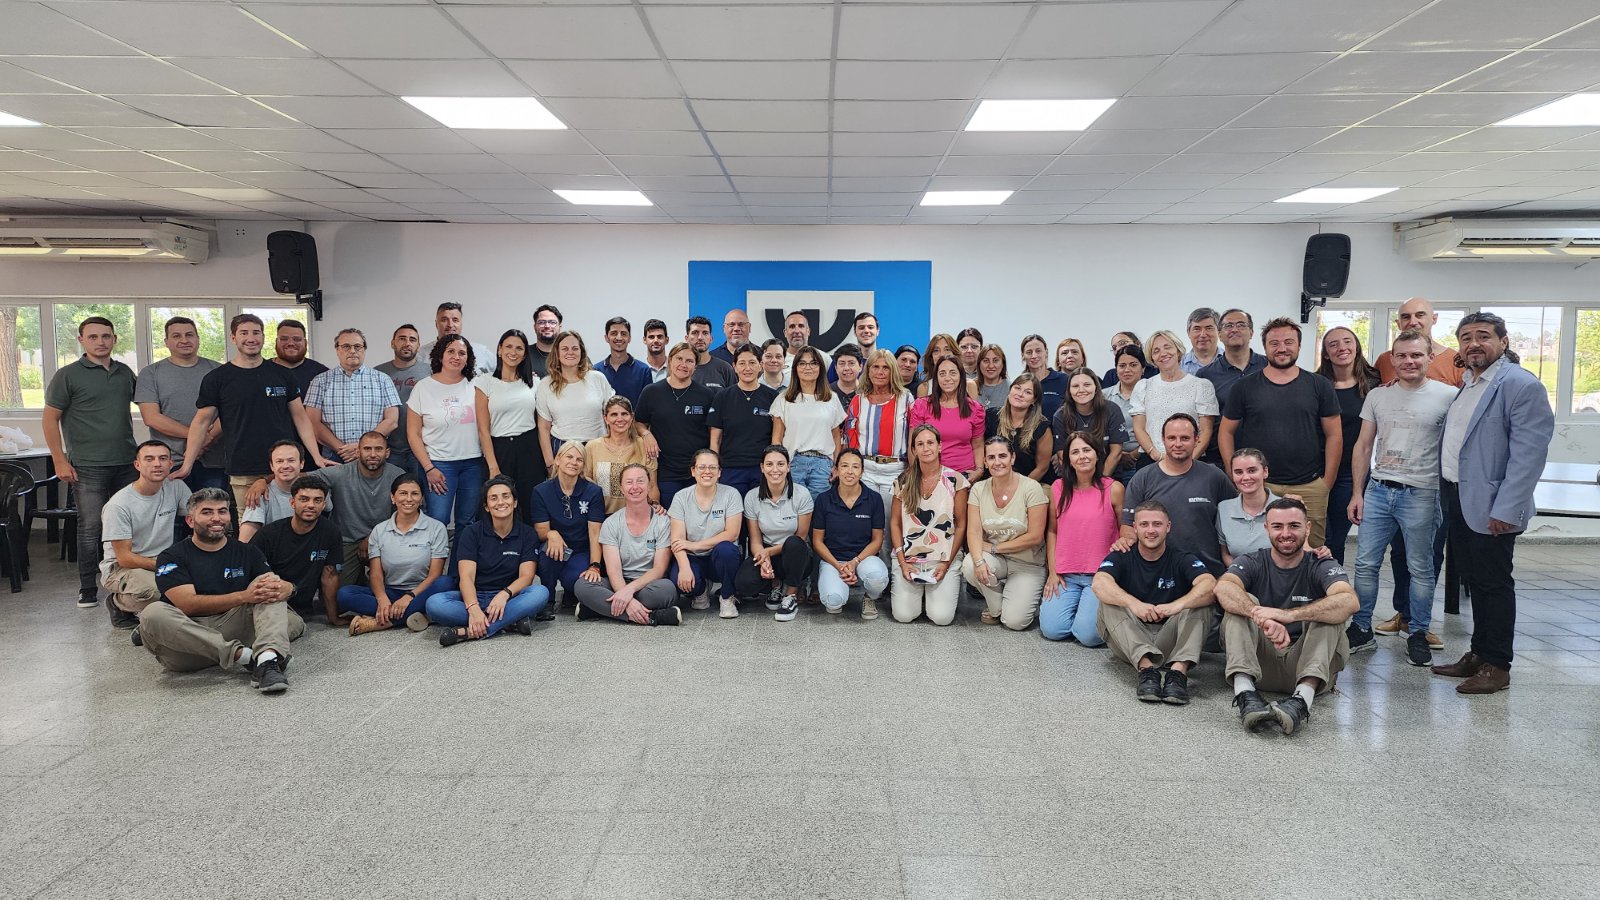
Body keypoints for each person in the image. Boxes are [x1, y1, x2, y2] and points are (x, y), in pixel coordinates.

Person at [1431, 312, 1553, 695]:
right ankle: (1479, 653)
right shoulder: (1468, 383)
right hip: (1459, 497)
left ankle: (1497, 665)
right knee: (1475, 580)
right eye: (1466, 337)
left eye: (1483, 336)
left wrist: (1507, 508)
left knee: (1494, 584)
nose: (1473, 344)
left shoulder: (1520, 385)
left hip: (1492, 505)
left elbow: (1528, 455)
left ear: (1503, 341)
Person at [1346, 330, 1458, 665]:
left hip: (1423, 493)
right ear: (1392, 359)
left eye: (1416, 355)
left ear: (1429, 358)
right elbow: (1363, 446)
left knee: (1420, 567)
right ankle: (1361, 628)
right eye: (1402, 355)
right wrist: (1357, 493)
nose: (1409, 361)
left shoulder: (1449, 396)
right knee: (1365, 564)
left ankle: (1418, 632)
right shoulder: (1378, 396)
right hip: (1379, 490)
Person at [1216, 498, 1357, 736]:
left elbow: (1349, 600)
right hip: (1259, 665)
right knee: (1240, 603)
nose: (1285, 534)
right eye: (1277, 526)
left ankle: (1301, 701)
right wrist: (1262, 617)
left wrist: (1288, 616)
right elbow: (1223, 587)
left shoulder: (1321, 564)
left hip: (1308, 666)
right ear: (1266, 528)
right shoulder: (1252, 560)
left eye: (1294, 526)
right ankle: (1245, 695)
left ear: (1307, 528)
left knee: (1329, 611)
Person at [144, 488, 301, 693]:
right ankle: (245, 657)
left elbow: (271, 587)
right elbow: (188, 604)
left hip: (231, 626)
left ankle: (266, 661)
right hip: (187, 645)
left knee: (269, 588)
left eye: (222, 511)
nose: (216, 518)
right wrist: (243, 596)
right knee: (152, 613)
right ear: (190, 521)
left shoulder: (247, 551)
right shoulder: (172, 556)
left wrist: (289, 587)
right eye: (207, 512)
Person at [176, 313, 328, 512]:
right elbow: (201, 422)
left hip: (283, 467)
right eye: (244, 333)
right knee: (249, 522)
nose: (251, 338)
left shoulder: (283, 374)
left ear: (263, 337)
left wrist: (316, 456)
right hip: (243, 468)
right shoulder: (217, 378)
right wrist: (187, 465)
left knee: (289, 520)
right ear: (233, 338)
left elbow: (300, 417)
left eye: (256, 333)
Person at [1218, 317, 1341, 548]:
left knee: (1311, 552)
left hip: (1310, 485)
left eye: (1288, 342)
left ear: (1299, 345)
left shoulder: (1319, 385)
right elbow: (1225, 432)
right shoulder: (1244, 387)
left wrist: (1327, 482)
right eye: (1274, 343)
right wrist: (1234, 473)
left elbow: (1334, 434)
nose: (1282, 348)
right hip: (1261, 486)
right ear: (1265, 347)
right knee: (1261, 549)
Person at [43, 315, 137, 610]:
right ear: (81, 340)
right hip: (87, 465)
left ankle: (129, 581)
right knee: (91, 527)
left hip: (127, 462)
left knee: (128, 525)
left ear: (114, 339)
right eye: (93, 337)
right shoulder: (67, 375)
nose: (100, 342)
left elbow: (149, 404)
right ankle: (87, 588)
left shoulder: (124, 373)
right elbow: (49, 419)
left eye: (106, 336)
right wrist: (59, 460)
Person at [1094, 501, 1215, 705]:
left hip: (1170, 640)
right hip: (1129, 640)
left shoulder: (1181, 557)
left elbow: (1209, 584)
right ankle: (1147, 670)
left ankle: (1178, 673)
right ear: (1135, 528)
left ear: (1168, 527)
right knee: (1108, 600)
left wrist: (1177, 605)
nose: (1151, 530)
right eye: (1144, 524)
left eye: (1157, 524)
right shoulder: (1122, 556)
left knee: (1202, 601)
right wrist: (1134, 604)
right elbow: (1099, 583)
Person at [426, 476, 550, 645]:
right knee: (434, 604)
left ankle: (470, 631)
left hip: (509, 598)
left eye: (506, 496)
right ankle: (508, 622)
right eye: (493, 498)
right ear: (486, 506)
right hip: (474, 595)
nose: (501, 502)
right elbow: (466, 577)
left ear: (514, 502)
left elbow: (526, 577)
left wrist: (504, 595)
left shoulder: (527, 534)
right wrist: (473, 607)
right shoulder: (471, 533)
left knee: (540, 593)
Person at [1119, 414, 1235, 576]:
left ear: (1197, 440)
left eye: (1185, 438)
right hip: (1158, 573)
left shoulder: (1214, 476)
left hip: (1208, 572)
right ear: (1163, 440)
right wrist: (1127, 540)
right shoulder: (1142, 478)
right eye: (1172, 438)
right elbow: (1128, 525)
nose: (1178, 444)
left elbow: (1235, 517)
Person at [338, 474, 452, 636]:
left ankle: (382, 622)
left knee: (445, 583)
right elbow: (376, 574)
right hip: (391, 591)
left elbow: (435, 575)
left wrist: (409, 597)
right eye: (403, 493)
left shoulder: (436, 528)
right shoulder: (380, 530)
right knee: (344, 594)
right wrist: (382, 599)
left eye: (415, 494)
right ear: (393, 497)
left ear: (421, 499)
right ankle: (418, 615)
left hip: (421, 592)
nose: (409, 499)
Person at [571, 464, 683, 626]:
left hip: (649, 585)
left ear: (649, 486)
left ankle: (597, 609)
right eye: (629, 482)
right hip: (617, 583)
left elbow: (659, 569)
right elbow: (613, 571)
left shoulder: (663, 522)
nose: (635, 487)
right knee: (582, 586)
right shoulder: (611, 523)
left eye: (640, 481)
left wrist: (629, 592)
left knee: (667, 590)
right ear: (621, 488)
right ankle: (653, 617)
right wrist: (628, 600)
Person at [1039, 433, 1122, 644]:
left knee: (1089, 637)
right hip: (1066, 574)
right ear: (1068, 459)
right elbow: (1052, 531)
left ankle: (1089, 616)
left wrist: (1117, 576)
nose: (1082, 456)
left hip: (1100, 575)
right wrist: (1053, 571)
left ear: (1097, 454)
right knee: (1052, 630)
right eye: (1075, 452)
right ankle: (1082, 612)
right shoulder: (1058, 488)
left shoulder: (1114, 489)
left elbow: (1126, 532)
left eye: (1087, 450)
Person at [101, 441, 191, 629]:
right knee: (159, 592)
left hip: (161, 560)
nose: (157, 464)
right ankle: (118, 603)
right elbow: (124, 558)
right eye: (149, 459)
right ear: (138, 465)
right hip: (122, 568)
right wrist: (168, 565)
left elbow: (197, 517)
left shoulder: (176, 487)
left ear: (171, 464)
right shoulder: (118, 505)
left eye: (163, 458)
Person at [961, 437, 1049, 630]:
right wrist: (979, 561)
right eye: (991, 457)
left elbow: (1035, 536)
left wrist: (994, 548)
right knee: (969, 564)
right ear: (985, 462)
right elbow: (973, 531)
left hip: (1027, 563)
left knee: (1015, 622)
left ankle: (1016, 598)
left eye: (1002, 456)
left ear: (1013, 458)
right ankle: (997, 607)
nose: (997, 462)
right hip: (996, 561)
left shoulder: (1031, 488)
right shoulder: (978, 489)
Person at [887, 425, 968, 625]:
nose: (926, 448)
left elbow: (961, 525)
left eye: (930, 442)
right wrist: (902, 562)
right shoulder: (903, 480)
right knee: (904, 616)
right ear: (913, 450)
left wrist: (946, 563)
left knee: (941, 618)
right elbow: (895, 523)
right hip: (909, 558)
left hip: (942, 558)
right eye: (920, 444)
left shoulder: (955, 480)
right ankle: (920, 595)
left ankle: (932, 594)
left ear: (940, 446)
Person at [135, 316, 225, 495]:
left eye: (189, 335)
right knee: (173, 512)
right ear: (166, 342)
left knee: (213, 510)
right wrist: (198, 438)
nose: (184, 340)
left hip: (214, 460)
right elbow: (151, 417)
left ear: (198, 339)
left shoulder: (219, 371)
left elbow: (229, 411)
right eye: (176, 336)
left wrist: (206, 439)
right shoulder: (151, 373)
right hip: (170, 461)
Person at [405, 334, 484, 530]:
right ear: (440, 355)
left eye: (462, 353)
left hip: (473, 463)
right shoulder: (423, 388)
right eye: (451, 351)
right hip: (438, 464)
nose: (456, 357)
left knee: (467, 521)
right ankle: (436, 553)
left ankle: (461, 553)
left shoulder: (478, 385)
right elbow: (413, 434)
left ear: (468, 358)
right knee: (438, 519)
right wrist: (428, 468)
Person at [1316, 325, 1380, 564]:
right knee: (1319, 537)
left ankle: (1335, 583)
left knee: (1336, 539)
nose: (1341, 348)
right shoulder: (1316, 384)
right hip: (1317, 471)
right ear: (1325, 353)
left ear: (1356, 346)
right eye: (1333, 344)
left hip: (1350, 473)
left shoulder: (1375, 384)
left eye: (1347, 341)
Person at [736, 446, 815, 622]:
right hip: (767, 551)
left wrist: (768, 552)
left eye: (780, 464)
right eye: (769, 464)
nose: (775, 469)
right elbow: (755, 540)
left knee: (794, 543)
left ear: (788, 467)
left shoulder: (802, 495)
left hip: (797, 554)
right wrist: (763, 558)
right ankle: (775, 584)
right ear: (762, 467)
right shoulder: (752, 497)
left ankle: (791, 596)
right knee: (744, 584)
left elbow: (801, 537)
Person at [313, 432, 403, 586]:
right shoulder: (341, 473)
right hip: (347, 541)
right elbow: (300, 478)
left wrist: (373, 537)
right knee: (339, 592)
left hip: (386, 539)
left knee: (396, 586)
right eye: (367, 449)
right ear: (357, 452)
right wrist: (267, 482)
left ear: (387, 452)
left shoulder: (398, 476)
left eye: (378, 449)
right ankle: (360, 582)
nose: (373, 454)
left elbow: (408, 515)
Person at [251, 476, 343, 622]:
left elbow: (329, 576)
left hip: (303, 610)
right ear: (292, 502)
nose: (311, 505)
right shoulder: (269, 534)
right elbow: (250, 574)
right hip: (269, 602)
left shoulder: (331, 532)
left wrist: (334, 618)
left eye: (317, 500)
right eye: (304, 499)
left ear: (324, 505)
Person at [811, 448, 889, 618]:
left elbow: (877, 540)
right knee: (833, 601)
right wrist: (839, 566)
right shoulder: (824, 499)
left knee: (877, 579)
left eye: (855, 467)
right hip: (833, 560)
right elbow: (817, 541)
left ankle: (869, 597)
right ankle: (839, 589)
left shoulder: (874, 499)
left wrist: (854, 562)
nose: (850, 471)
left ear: (862, 471)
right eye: (844, 466)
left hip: (864, 558)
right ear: (836, 470)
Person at [475, 328, 545, 517]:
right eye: (508, 347)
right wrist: (493, 466)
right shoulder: (484, 382)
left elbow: (542, 422)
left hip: (529, 448)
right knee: (498, 505)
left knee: (530, 505)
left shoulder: (534, 383)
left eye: (519, 348)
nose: (513, 352)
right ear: (499, 350)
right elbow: (483, 430)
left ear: (525, 354)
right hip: (499, 449)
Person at [304, 328, 400, 464]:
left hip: (372, 455)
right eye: (346, 346)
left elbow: (391, 420)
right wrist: (342, 450)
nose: (353, 351)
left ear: (364, 350)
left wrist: (362, 446)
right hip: (334, 456)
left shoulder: (383, 380)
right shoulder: (320, 381)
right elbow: (312, 423)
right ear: (337, 350)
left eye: (357, 346)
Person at [634, 342, 715, 505]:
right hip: (666, 472)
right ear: (670, 361)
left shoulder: (706, 395)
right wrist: (646, 434)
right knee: (670, 516)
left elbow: (714, 431)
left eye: (689, 361)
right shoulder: (651, 392)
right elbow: (638, 422)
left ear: (695, 366)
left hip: (698, 472)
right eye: (679, 359)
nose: (683, 364)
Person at [531, 442, 608, 607]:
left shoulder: (593, 491)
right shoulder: (541, 491)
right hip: (555, 548)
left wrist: (595, 566)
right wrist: (552, 534)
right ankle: (547, 602)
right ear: (558, 460)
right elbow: (541, 529)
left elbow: (595, 533)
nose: (574, 462)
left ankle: (570, 592)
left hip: (581, 550)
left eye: (579, 459)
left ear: (583, 465)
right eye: (569, 457)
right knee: (547, 554)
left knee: (576, 581)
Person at [667, 450, 744, 616]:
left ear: (719, 472)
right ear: (693, 471)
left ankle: (727, 596)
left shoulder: (731, 494)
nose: (707, 471)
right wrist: (684, 568)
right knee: (679, 580)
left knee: (727, 550)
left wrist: (696, 545)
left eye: (712, 467)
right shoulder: (681, 497)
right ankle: (701, 591)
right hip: (693, 557)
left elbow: (732, 533)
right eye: (701, 467)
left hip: (719, 556)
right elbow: (677, 540)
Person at [1130, 330, 1218, 463]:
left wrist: (1188, 460)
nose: (1163, 353)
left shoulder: (1201, 385)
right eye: (1156, 351)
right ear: (1151, 358)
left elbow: (1205, 430)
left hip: (1192, 461)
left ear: (1178, 350)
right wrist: (1156, 455)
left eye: (1167, 347)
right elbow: (1139, 428)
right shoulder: (1143, 386)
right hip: (1151, 460)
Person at [770, 346, 844, 499]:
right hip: (793, 463)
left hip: (823, 465)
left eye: (813, 363)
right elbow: (777, 439)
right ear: (795, 368)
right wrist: (780, 465)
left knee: (820, 510)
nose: (807, 367)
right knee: (795, 508)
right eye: (802, 363)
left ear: (820, 368)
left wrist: (836, 465)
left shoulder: (831, 398)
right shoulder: (784, 399)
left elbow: (836, 436)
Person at [536, 330, 614, 469]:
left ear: (581, 352)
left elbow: (612, 416)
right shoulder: (546, 384)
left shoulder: (597, 378)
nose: (570, 352)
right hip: (563, 449)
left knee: (601, 484)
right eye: (565, 349)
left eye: (575, 348)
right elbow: (544, 427)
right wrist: (550, 463)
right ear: (557, 353)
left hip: (598, 447)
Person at [709, 345, 778, 500]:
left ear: (761, 365)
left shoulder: (772, 397)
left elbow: (777, 437)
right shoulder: (722, 397)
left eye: (752, 363)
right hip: (730, 469)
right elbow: (715, 440)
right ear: (734, 366)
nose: (747, 368)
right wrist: (714, 468)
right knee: (734, 512)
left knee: (762, 512)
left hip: (762, 469)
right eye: (742, 363)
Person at [847, 348, 912, 513]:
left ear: (893, 371)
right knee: (864, 521)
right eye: (875, 367)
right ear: (868, 371)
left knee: (890, 523)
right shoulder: (857, 400)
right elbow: (849, 439)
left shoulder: (906, 399)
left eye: (886, 368)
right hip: (865, 471)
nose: (880, 372)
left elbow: (913, 437)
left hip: (895, 471)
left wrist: (912, 469)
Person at [909, 357, 985, 483]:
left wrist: (979, 471)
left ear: (961, 376)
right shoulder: (922, 405)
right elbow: (913, 445)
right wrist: (917, 477)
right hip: (929, 477)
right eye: (942, 374)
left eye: (953, 373)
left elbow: (978, 445)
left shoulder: (975, 408)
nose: (947, 378)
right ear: (936, 378)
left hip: (964, 477)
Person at [239, 441, 329, 541]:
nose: (285, 466)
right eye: (279, 461)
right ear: (272, 466)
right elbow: (245, 540)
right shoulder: (260, 494)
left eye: (291, 460)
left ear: (301, 463)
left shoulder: (317, 491)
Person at [375, 323, 432, 479]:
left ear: (418, 346)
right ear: (392, 343)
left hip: (421, 448)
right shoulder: (378, 373)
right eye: (402, 339)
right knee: (391, 490)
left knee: (420, 490)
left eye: (412, 340)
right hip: (389, 448)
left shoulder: (430, 372)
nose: (407, 343)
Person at [585, 396, 659, 514]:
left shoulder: (644, 445)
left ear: (632, 417)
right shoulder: (592, 447)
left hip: (637, 515)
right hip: (600, 515)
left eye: (624, 414)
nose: (620, 419)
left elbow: (653, 486)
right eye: (614, 415)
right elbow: (586, 484)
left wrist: (654, 509)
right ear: (605, 419)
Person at [1053, 367, 1129, 479]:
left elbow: (1116, 452)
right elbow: (1062, 455)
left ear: (1096, 387)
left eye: (1087, 385)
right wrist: (1082, 483)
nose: (1081, 390)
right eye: (1075, 386)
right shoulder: (1060, 416)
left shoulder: (1112, 410)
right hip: (1075, 478)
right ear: (1069, 390)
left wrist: (1099, 482)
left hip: (1108, 476)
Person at [1373, 297, 1463, 387]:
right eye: (1406, 317)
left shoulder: (1456, 360)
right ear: (1398, 324)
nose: (1413, 322)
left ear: (1434, 319)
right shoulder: (1384, 361)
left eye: (1420, 315)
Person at [1217, 448, 1279, 566]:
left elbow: (1300, 548)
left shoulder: (1285, 507)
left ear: (1265, 472)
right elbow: (1225, 554)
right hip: (1238, 574)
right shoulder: (1223, 508)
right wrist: (1241, 572)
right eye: (1238, 472)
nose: (1245, 477)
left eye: (1252, 471)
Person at [1197, 308, 1267, 412]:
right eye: (1228, 326)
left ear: (1251, 333)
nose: (1234, 330)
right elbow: (1204, 417)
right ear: (1219, 335)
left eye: (1241, 325)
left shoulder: (1269, 365)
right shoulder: (1205, 375)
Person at [986, 374, 1053, 483]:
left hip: (1027, 484)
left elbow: (1042, 467)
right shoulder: (991, 416)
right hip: (992, 482)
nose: (1020, 394)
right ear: (1010, 391)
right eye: (1017, 388)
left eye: (1028, 392)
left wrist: (1020, 488)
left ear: (1034, 400)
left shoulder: (1042, 427)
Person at [1105, 345, 1149, 478]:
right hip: (1109, 460)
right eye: (1122, 366)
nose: (1127, 370)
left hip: (1145, 459)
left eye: (1133, 365)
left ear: (1143, 368)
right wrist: (1118, 454)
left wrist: (1134, 454)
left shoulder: (1153, 393)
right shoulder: (1103, 396)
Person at [420, 302, 493, 375]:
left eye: (455, 320)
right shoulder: (421, 355)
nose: (450, 325)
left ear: (461, 324)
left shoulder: (482, 352)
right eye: (444, 320)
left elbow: (498, 375)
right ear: (436, 324)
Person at [596, 316, 654, 406]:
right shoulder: (596, 371)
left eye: (623, 334)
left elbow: (648, 406)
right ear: (606, 338)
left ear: (629, 338)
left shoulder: (643, 371)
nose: (619, 337)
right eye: (614, 333)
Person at [270, 319, 328, 398]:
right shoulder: (261, 371)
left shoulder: (322, 374)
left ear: (305, 343)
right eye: (284, 339)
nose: (290, 343)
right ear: (276, 342)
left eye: (297, 339)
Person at [1019, 334, 1067, 419]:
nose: (1034, 356)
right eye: (1029, 352)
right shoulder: (1020, 384)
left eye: (1038, 351)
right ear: (1023, 355)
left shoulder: (1063, 380)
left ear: (1046, 352)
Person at [685, 315, 736, 390]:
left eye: (705, 333)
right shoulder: (680, 368)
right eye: (695, 333)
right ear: (687, 338)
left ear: (711, 339)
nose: (700, 337)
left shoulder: (725, 368)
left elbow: (734, 396)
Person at [827, 312, 880, 382]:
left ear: (877, 331)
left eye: (870, 327)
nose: (866, 331)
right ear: (855, 332)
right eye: (861, 328)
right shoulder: (840, 360)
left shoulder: (885, 361)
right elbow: (829, 387)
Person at [915, 334, 962, 398]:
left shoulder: (969, 385)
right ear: (931, 357)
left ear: (955, 354)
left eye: (947, 349)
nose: (942, 354)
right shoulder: (924, 388)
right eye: (936, 350)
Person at [1180, 307, 1220, 374]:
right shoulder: (1178, 365)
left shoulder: (1232, 362)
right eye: (1197, 329)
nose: (1203, 335)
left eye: (1209, 328)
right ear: (1188, 333)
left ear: (1219, 331)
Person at [528, 304, 562, 377]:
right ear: (535, 327)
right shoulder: (522, 354)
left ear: (560, 327)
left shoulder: (571, 355)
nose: (547, 326)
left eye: (552, 322)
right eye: (541, 322)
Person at [975, 344, 1010, 411]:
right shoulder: (970, 386)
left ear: (1003, 364)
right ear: (979, 364)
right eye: (986, 361)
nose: (991, 366)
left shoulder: (1011, 389)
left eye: (995, 360)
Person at [831, 343, 863, 410]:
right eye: (842, 363)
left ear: (860, 367)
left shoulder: (867, 392)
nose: (846, 368)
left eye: (851, 363)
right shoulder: (826, 392)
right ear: (836, 368)